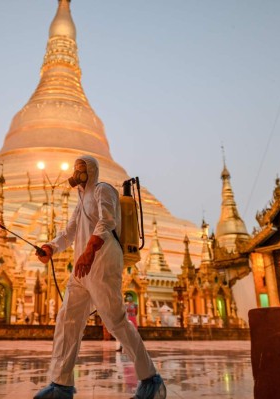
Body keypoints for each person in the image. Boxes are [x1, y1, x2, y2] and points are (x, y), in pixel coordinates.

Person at [33, 155, 166, 399]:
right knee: (68, 320)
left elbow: (107, 222)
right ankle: (61, 385)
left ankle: (151, 379)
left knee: (115, 321)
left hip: (102, 261)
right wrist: (51, 247)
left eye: (81, 169)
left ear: (92, 170)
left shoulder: (103, 190)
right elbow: (71, 231)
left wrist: (89, 251)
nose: (77, 172)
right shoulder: (81, 198)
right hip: (81, 268)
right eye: (75, 168)